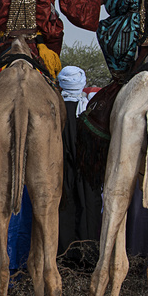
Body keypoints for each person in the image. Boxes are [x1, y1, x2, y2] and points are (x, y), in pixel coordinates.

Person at [57, 66, 101, 264]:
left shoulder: (55, 108)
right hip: (87, 168)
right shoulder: (90, 110)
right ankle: (88, 256)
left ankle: (65, 256)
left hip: (61, 168)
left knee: (64, 207)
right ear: (81, 82)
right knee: (88, 206)